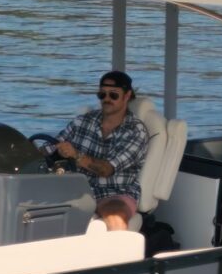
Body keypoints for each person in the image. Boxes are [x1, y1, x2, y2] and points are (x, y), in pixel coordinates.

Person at [51, 70, 150, 220]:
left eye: (113, 95)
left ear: (127, 96)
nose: (107, 99)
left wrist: (75, 155)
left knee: (115, 217)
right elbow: (52, 146)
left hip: (114, 193)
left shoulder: (136, 131)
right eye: (102, 94)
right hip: (75, 188)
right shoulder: (83, 120)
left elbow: (106, 169)